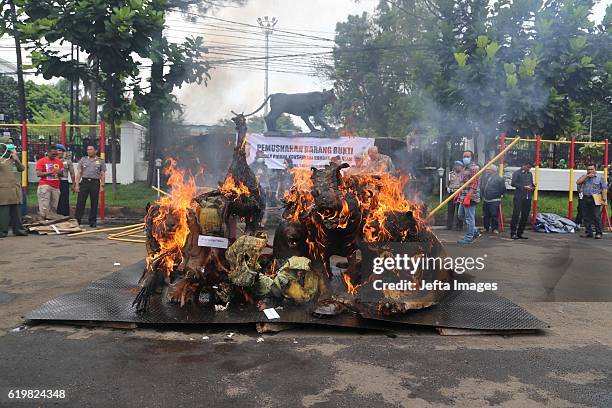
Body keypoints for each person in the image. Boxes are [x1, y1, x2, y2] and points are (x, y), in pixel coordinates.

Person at [0, 136, 27, 237]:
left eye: (11, 143)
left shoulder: (14, 158)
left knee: (17, 211)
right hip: (3, 190)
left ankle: (18, 230)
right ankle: (2, 231)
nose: (10, 145)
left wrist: (16, 159)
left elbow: (22, 169)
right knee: (3, 212)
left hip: (15, 189)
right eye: (8, 143)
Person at [75, 145, 106, 227]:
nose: (88, 151)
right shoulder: (83, 160)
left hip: (95, 183)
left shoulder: (100, 161)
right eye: (88, 149)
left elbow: (102, 174)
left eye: (91, 149)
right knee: (80, 202)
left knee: (94, 202)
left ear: (95, 151)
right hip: (84, 182)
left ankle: (92, 221)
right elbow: (79, 173)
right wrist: (77, 184)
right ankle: (77, 220)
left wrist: (102, 185)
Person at [576, 163, 607, 239]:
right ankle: (588, 232)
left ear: (595, 169)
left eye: (591, 169)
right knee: (586, 216)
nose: (590, 171)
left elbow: (604, 188)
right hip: (586, 197)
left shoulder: (600, 177)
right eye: (588, 169)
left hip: (596, 197)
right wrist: (586, 176)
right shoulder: (584, 177)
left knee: (596, 216)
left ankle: (598, 233)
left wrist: (604, 199)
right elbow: (578, 182)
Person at [35, 144, 64, 219]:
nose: (55, 155)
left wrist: (60, 173)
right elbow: (38, 174)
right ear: (48, 152)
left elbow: (61, 174)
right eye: (53, 153)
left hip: (56, 187)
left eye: (56, 153)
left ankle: (52, 223)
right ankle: (44, 222)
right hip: (45, 186)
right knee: (45, 207)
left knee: (54, 207)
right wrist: (51, 172)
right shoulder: (41, 161)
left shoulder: (59, 162)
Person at [457, 150, 480, 244]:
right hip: (463, 196)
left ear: (472, 157)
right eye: (464, 156)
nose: (465, 158)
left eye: (467, 156)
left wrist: (468, 196)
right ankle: (474, 230)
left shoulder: (474, 168)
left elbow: (475, 183)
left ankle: (469, 238)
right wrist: (458, 194)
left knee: (469, 218)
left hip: (471, 197)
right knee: (460, 215)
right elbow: (462, 183)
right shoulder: (464, 168)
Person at [510, 160, 535, 240]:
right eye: (528, 167)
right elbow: (513, 183)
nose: (529, 169)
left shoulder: (530, 174)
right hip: (519, 197)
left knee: (525, 215)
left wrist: (533, 187)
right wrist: (524, 187)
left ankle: (520, 233)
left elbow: (531, 183)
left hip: (528, 197)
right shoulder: (517, 173)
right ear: (523, 165)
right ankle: (513, 233)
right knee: (516, 214)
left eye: (530, 168)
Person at [480, 164, 506, 234]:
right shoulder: (486, 177)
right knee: (486, 215)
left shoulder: (499, 178)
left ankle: (495, 228)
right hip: (486, 199)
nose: (487, 171)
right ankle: (486, 228)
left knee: (494, 215)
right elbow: (483, 186)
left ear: (493, 170)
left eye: (489, 170)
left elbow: (503, 189)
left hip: (494, 200)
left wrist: (498, 195)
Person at [56, 144, 75, 216]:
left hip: (63, 182)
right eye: (57, 150)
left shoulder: (68, 161)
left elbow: (72, 173)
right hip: (54, 181)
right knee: (54, 199)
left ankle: (64, 215)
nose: (58, 152)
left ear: (63, 152)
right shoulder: (51, 160)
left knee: (64, 199)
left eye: (60, 150)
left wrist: (74, 184)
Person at [446, 160, 464, 230]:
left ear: (461, 167)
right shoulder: (450, 174)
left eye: (459, 166)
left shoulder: (463, 174)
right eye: (456, 165)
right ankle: (449, 225)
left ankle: (459, 226)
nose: (457, 167)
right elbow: (447, 183)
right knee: (450, 209)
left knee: (459, 210)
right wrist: (447, 188)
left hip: (460, 193)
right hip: (452, 192)